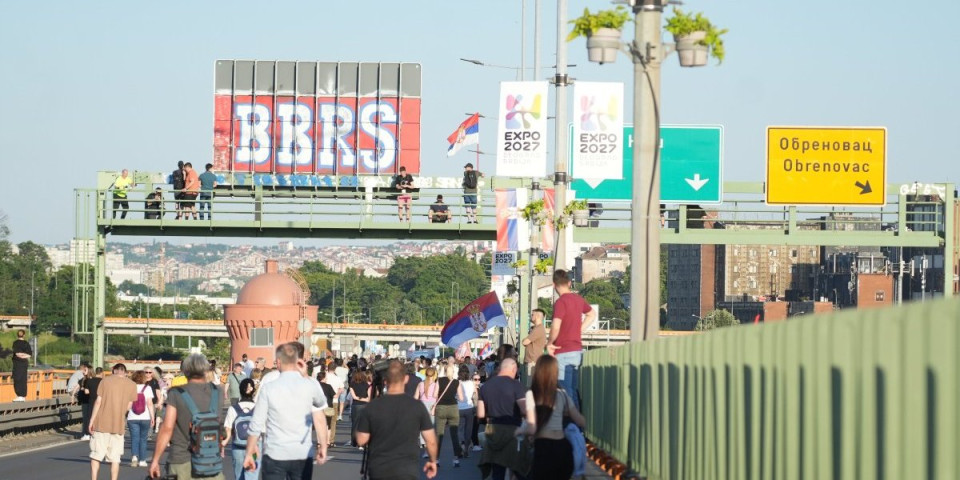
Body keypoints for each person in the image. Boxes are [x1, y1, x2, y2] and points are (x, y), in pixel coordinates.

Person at [242, 343, 328, 480]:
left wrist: (249, 451)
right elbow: (319, 414)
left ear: (279, 361)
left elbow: (257, 422)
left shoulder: (268, 385)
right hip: (302, 453)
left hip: (274, 452)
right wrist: (323, 445)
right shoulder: (310, 384)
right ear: (298, 361)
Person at [356, 360, 439, 480]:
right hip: (407, 469)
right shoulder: (416, 406)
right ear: (406, 379)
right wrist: (432, 461)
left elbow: (361, 439)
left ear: (385, 381)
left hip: (380, 468)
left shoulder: (373, 406)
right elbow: (431, 441)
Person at [149, 354, 224, 480]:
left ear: (185, 370)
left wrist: (155, 460)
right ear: (205, 370)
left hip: (182, 458)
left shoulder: (176, 393)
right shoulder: (218, 392)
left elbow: (167, 428)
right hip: (211, 460)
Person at [519, 355, 587, 480]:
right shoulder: (563, 394)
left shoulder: (532, 394)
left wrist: (519, 430)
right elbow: (581, 421)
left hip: (543, 450)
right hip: (563, 449)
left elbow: (532, 428)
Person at [547, 269, 596, 410]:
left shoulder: (560, 302)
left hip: (563, 351)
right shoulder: (579, 299)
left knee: (564, 390)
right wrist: (579, 330)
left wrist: (550, 343)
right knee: (573, 390)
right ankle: (577, 427)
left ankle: (570, 426)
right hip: (577, 351)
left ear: (553, 285)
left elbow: (556, 326)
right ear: (569, 283)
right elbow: (592, 314)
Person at [477, 358, 529, 480]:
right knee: (519, 468)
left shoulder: (485, 386)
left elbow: (480, 414)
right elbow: (524, 410)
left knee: (497, 471)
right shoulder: (516, 385)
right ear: (513, 369)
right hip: (513, 430)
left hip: (493, 430)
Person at [89, 363, 137, 480]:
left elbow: (98, 402)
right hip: (118, 425)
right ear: (124, 372)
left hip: (101, 424)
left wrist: (91, 420)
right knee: (115, 458)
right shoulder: (132, 384)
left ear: (113, 370)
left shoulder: (105, 381)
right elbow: (129, 405)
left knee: (96, 455)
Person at [222, 379, 259, 480]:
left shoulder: (233, 409)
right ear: (253, 391)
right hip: (254, 448)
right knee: (252, 476)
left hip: (238, 447)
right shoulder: (258, 408)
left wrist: (223, 444)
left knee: (239, 476)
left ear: (240, 390)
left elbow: (228, 430)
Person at [434, 363, 465, 467]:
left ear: (444, 370)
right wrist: (454, 395)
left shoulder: (439, 380)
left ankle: (437, 459)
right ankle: (456, 459)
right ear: (454, 372)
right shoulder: (457, 382)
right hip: (453, 408)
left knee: (439, 434)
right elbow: (461, 398)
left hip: (441, 407)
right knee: (454, 434)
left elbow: (434, 395)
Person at [127, 370, 155, 467]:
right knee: (143, 439)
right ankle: (142, 460)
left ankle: (134, 456)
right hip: (145, 417)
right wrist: (152, 417)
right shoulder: (148, 388)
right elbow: (150, 403)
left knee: (134, 438)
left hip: (132, 417)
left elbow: (128, 404)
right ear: (144, 378)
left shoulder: (130, 388)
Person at [457, 364, 479, 456]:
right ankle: (466, 448)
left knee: (460, 429)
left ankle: (461, 444)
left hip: (458, 408)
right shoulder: (471, 383)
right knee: (468, 429)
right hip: (469, 408)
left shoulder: (457, 383)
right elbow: (476, 396)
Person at [521, 309, 548, 380]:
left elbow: (525, 342)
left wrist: (524, 340)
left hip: (533, 361)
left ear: (538, 316)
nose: (531, 316)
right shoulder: (536, 328)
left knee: (531, 385)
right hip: (533, 361)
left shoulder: (538, 329)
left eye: (532, 314)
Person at [349, 369, 371, 448]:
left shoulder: (352, 384)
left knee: (355, 424)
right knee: (364, 424)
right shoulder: (366, 385)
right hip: (365, 406)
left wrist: (359, 398)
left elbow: (354, 397)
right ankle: (362, 442)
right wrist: (365, 399)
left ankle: (354, 441)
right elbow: (369, 397)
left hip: (356, 405)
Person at [316, 370, 338, 448]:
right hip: (328, 406)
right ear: (324, 378)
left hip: (318, 407)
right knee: (328, 425)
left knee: (319, 425)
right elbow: (335, 396)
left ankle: (319, 442)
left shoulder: (316, 386)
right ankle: (327, 442)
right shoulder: (328, 386)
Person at [11, 329, 31, 401]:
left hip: (17, 363)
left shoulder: (15, 343)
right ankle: (22, 396)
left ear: (17, 335)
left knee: (17, 379)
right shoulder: (26, 343)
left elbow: (17, 353)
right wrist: (24, 355)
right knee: (23, 378)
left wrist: (21, 355)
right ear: (24, 335)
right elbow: (29, 355)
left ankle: (20, 395)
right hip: (24, 363)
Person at [78, 366, 97, 440]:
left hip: (90, 400)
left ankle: (89, 433)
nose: (83, 371)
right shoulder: (83, 380)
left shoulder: (90, 380)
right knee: (86, 417)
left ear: (89, 371)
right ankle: (86, 433)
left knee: (89, 417)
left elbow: (88, 391)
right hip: (85, 400)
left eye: (85, 370)